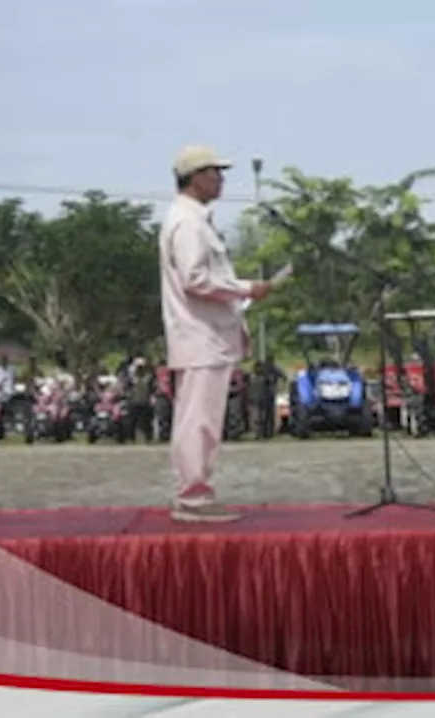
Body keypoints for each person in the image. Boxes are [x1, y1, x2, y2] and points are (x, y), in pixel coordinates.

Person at [160, 145, 273, 523]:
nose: (221, 180)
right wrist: (244, 288)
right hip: (200, 335)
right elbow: (195, 279)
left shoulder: (194, 219)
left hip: (204, 334)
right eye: (214, 173)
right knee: (199, 420)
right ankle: (193, 496)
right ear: (194, 178)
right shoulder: (188, 222)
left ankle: (195, 491)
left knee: (201, 418)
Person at [252, 357, 285, 440]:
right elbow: (284, 377)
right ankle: (267, 432)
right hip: (268, 394)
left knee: (259, 415)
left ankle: (260, 433)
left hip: (261, 395)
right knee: (267, 415)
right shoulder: (273, 370)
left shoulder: (260, 372)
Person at [126, 360, 155, 442]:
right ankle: (131, 438)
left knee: (146, 422)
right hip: (134, 402)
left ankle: (148, 438)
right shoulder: (132, 379)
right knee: (132, 421)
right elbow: (127, 388)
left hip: (145, 402)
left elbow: (152, 389)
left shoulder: (148, 378)